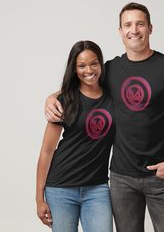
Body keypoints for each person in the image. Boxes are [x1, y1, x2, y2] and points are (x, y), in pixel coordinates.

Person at [44, 2, 164, 232]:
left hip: (162, 177)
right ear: (120, 31)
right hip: (121, 179)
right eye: (128, 24)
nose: (134, 30)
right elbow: (83, 78)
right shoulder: (110, 70)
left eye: (140, 23)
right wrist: (53, 96)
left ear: (150, 28)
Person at [36, 40, 115, 232]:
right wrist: (39, 198)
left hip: (97, 189)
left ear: (101, 64)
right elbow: (47, 151)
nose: (89, 70)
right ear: (74, 69)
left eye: (94, 63)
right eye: (81, 65)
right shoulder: (64, 100)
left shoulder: (114, 97)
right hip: (60, 188)